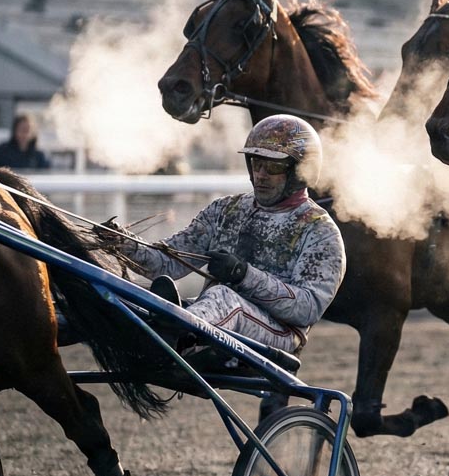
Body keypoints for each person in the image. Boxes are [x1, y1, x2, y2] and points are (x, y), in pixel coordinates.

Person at [102, 114, 345, 369]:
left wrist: (243, 274)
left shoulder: (320, 230)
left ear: (299, 172)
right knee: (138, 297)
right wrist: (124, 243)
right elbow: (167, 263)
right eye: (256, 164)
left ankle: (170, 336)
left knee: (222, 296)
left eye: (272, 167)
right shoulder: (225, 210)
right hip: (212, 319)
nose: (260, 175)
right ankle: (166, 328)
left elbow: (308, 309)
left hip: (279, 335)